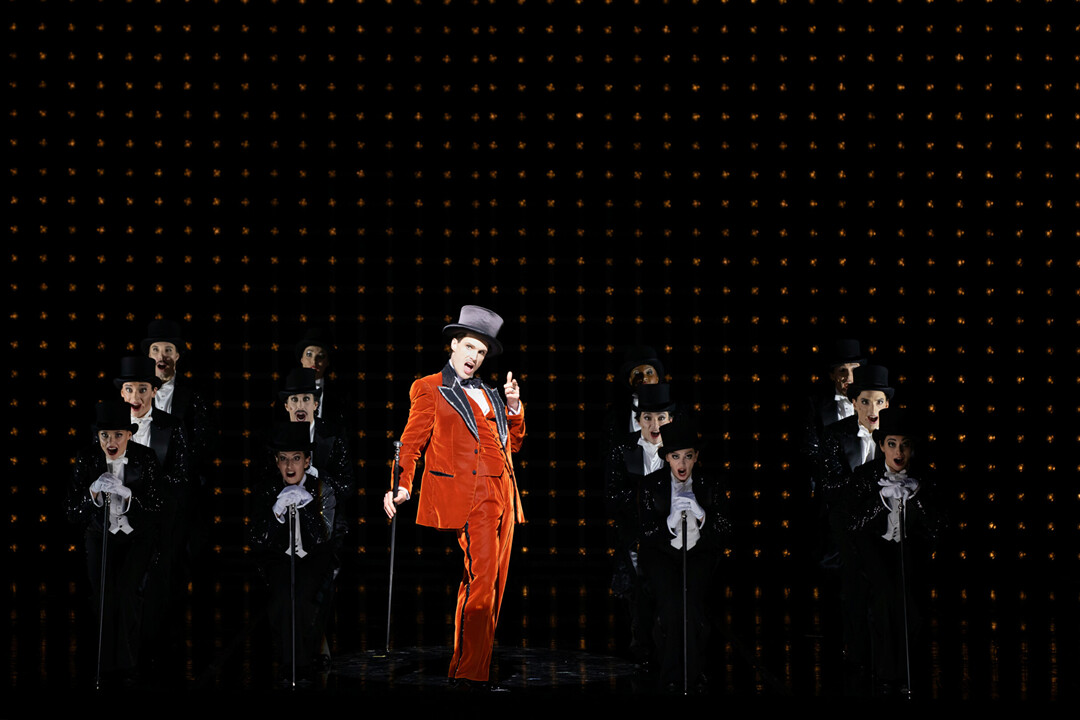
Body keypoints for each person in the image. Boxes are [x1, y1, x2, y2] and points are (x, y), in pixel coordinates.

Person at [383, 305, 524, 688]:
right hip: (470, 495)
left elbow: (511, 444)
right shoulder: (430, 387)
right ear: (454, 345)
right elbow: (411, 442)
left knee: (491, 583)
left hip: (503, 493)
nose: (474, 357)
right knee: (483, 579)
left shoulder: (491, 392)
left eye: (481, 352)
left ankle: (466, 667)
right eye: (469, 347)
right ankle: (471, 674)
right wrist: (402, 484)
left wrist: (513, 408)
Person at [834, 411, 943, 696]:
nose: (899, 452)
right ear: (882, 445)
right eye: (892, 444)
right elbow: (849, 522)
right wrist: (879, 501)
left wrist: (916, 497)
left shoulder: (924, 477)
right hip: (875, 549)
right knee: (884, 602)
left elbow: (937, 527)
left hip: (909, 550)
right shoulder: (865, 476)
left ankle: (910, 672)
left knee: (912, 607)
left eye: (904, 445)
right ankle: (886, 674)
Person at [66, 400, 164, 684]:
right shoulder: (86, 458)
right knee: (102, 596)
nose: (111, 441)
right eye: (105, 435)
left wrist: (130, 496)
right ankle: (102, 663)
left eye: (118, 435)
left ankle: (127, 664)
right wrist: (93, 494)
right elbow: (72, 512)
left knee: (127, 594)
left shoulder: (145, 458)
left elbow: (158, 507)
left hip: (136, 538)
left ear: (129, 435)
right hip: (100, 536)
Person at [637, 420, 731, 692]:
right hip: (662, 555)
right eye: (676, 456)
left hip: (699, 553)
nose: (682, 464)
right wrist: (668, 523)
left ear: (696, 457)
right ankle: (670, 675)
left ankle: (695, 673)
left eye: (688, 456)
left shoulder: (710, 483)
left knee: (692, 608)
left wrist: (702, 516)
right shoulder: (651, 485)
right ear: (667, 458)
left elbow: (724, 529)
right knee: (671, 607)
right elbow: (645, 532)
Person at [249, 423, 346, 683]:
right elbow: (257, 538)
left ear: (307, 461)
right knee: (283, 597)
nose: (289, 466)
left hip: (313, 558)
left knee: (303, 598)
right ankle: (288, 663)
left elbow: (323, 537)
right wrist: (276, 512)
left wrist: (307, 505)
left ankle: (303, 664)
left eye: (295, 458)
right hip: (279, 558)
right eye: (283, 459)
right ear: (276, 462)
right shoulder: (267, 489)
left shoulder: (323, 489)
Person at [605, 382, 676, 665]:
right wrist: (644, 497)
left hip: (670, 539)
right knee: (640, 599)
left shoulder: (680, 452)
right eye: (648, 418)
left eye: (661, 418)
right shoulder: (623, 450)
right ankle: (643, 653)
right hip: (635, 540)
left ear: (670, 419)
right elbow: (612, 497)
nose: (654, 425)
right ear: (638, 420)